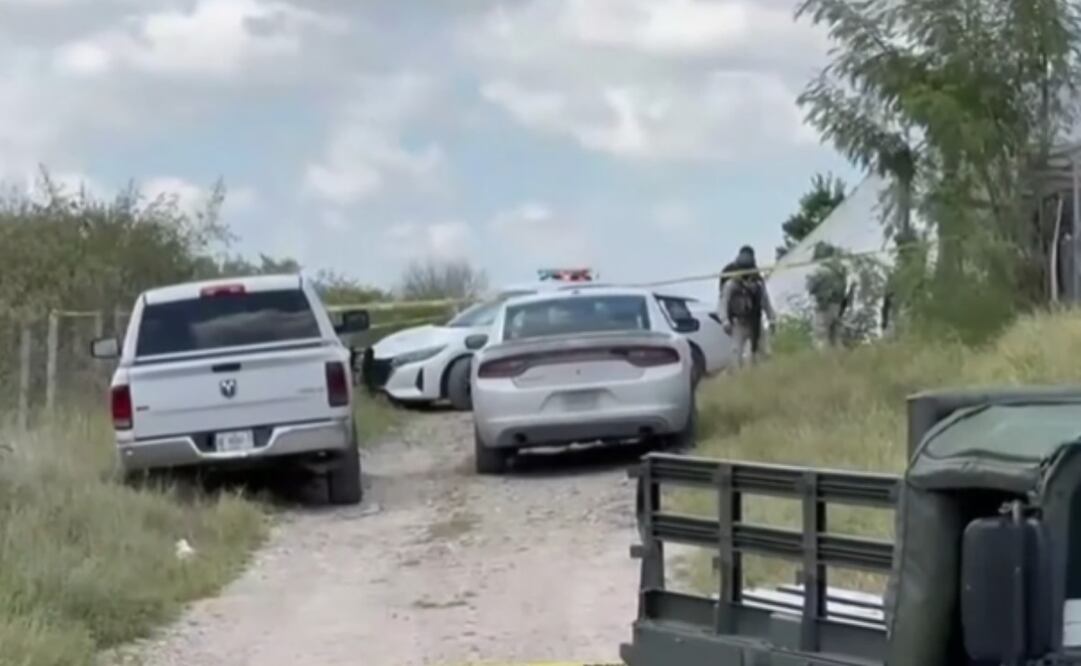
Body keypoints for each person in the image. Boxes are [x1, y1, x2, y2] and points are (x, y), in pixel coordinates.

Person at [718, 246, 776, 368]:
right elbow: (723, 302)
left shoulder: (757, 281)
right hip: (738, 322)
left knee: (764, 351)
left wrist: (772, 318)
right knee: (736, 353)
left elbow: (765, 300)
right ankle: (738, 379)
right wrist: (724, 321)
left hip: (755, 320)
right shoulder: (731, 284)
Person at [805, 242, 851, 349]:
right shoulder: (840, 270)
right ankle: (841, 362)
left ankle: (824, 362)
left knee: (821, 336)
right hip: (837, 305)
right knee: (836, 338)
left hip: (824, 307)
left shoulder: (821, 271)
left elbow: (810, 287)